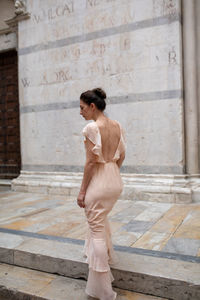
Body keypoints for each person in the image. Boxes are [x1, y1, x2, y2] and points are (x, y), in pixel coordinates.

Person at [77, 88, 126, 300]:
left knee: (96, 228)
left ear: (92, 106)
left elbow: (89, 163)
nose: (80, 112)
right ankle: (99, 260)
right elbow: (122, 155)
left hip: (99, 181)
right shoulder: (117, 125)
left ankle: (102, 290)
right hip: (114, 179)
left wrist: (82, 191)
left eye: (82, 107)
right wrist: (112, 171)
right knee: (100, 221)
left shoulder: (91, 128)